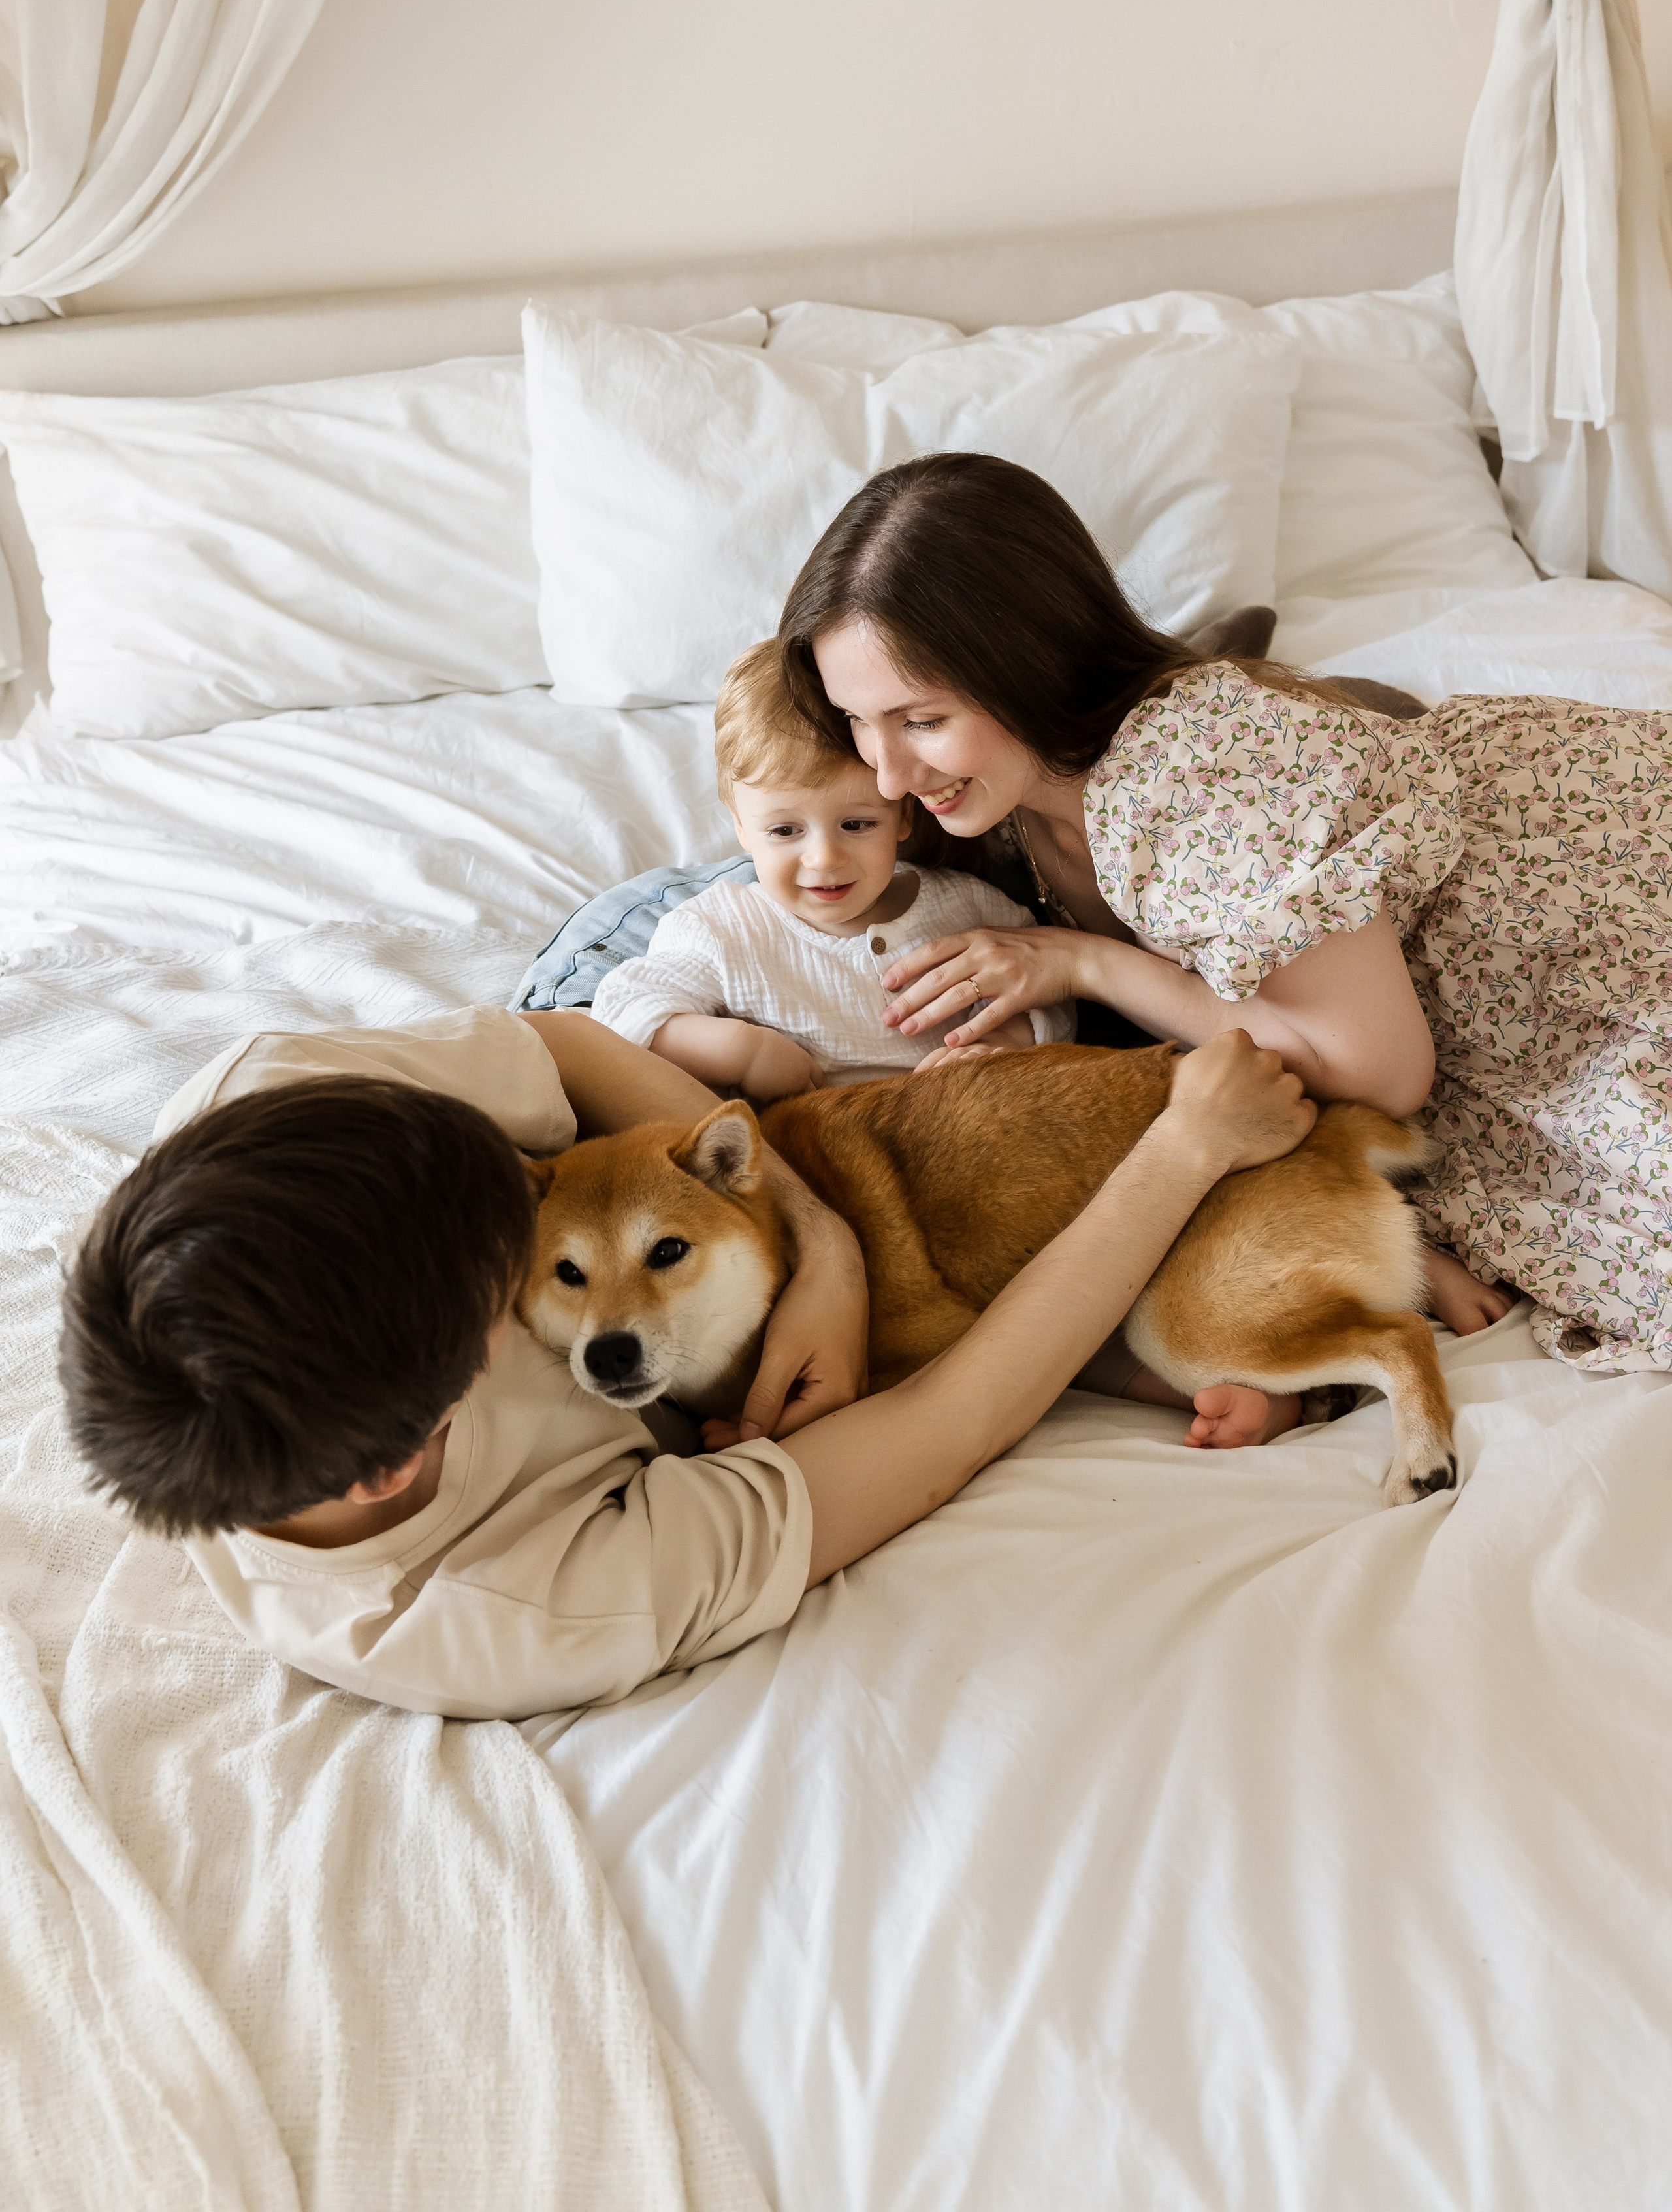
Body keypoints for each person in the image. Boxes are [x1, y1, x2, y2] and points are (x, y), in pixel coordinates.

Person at [55, 1002, 1311, 1720]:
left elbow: (560, 1046)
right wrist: (1186, 1150)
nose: (522, 1191)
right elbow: (947, 1427)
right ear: (410, 1449)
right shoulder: (522, 1607)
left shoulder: (277, 1116)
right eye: (517, 1269)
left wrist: (822, 1244)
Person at [779, 450, 1672, 1429]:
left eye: (922, 721)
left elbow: (1374, 1073)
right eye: (861, 725)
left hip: (1588, 912)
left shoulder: (1186, 774)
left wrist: (1088, 962)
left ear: (1030, 663)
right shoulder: (997, 807)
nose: (891, 775)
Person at [590, 640, 1074, 1094]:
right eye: (784, 831)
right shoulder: (721, 929)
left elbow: (1045, 995)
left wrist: (1004, 1044)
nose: (824, 859)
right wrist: (744, 1052)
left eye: (857, 824)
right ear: (740, 826)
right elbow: (624, 1013)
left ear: (903, 815)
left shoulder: (969, 907)